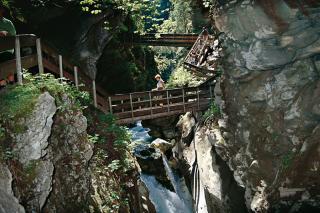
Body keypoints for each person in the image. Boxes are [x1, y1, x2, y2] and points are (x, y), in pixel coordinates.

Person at [0, 3, 16, 88]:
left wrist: (6, 33)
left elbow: (14, 36)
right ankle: (3, 88)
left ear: (2, 10)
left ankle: (11, 84)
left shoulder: (7, 22)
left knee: (8, 69)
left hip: (7, 50)